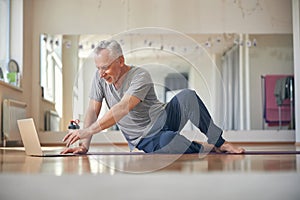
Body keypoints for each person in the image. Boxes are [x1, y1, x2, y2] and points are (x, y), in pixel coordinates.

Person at [62, 40, 245, 155]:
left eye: (105, 68)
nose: (101, 73)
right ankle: (204, 147)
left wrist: (87, 131)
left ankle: (220, 142)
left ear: (120, 61)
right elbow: (93, 110)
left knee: (188, 96)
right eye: (98, 68)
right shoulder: (100, 78)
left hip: (164, 116)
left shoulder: (140, 75)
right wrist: (84, 145)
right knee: (168, 141)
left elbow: (123, 107)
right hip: (145, 137)